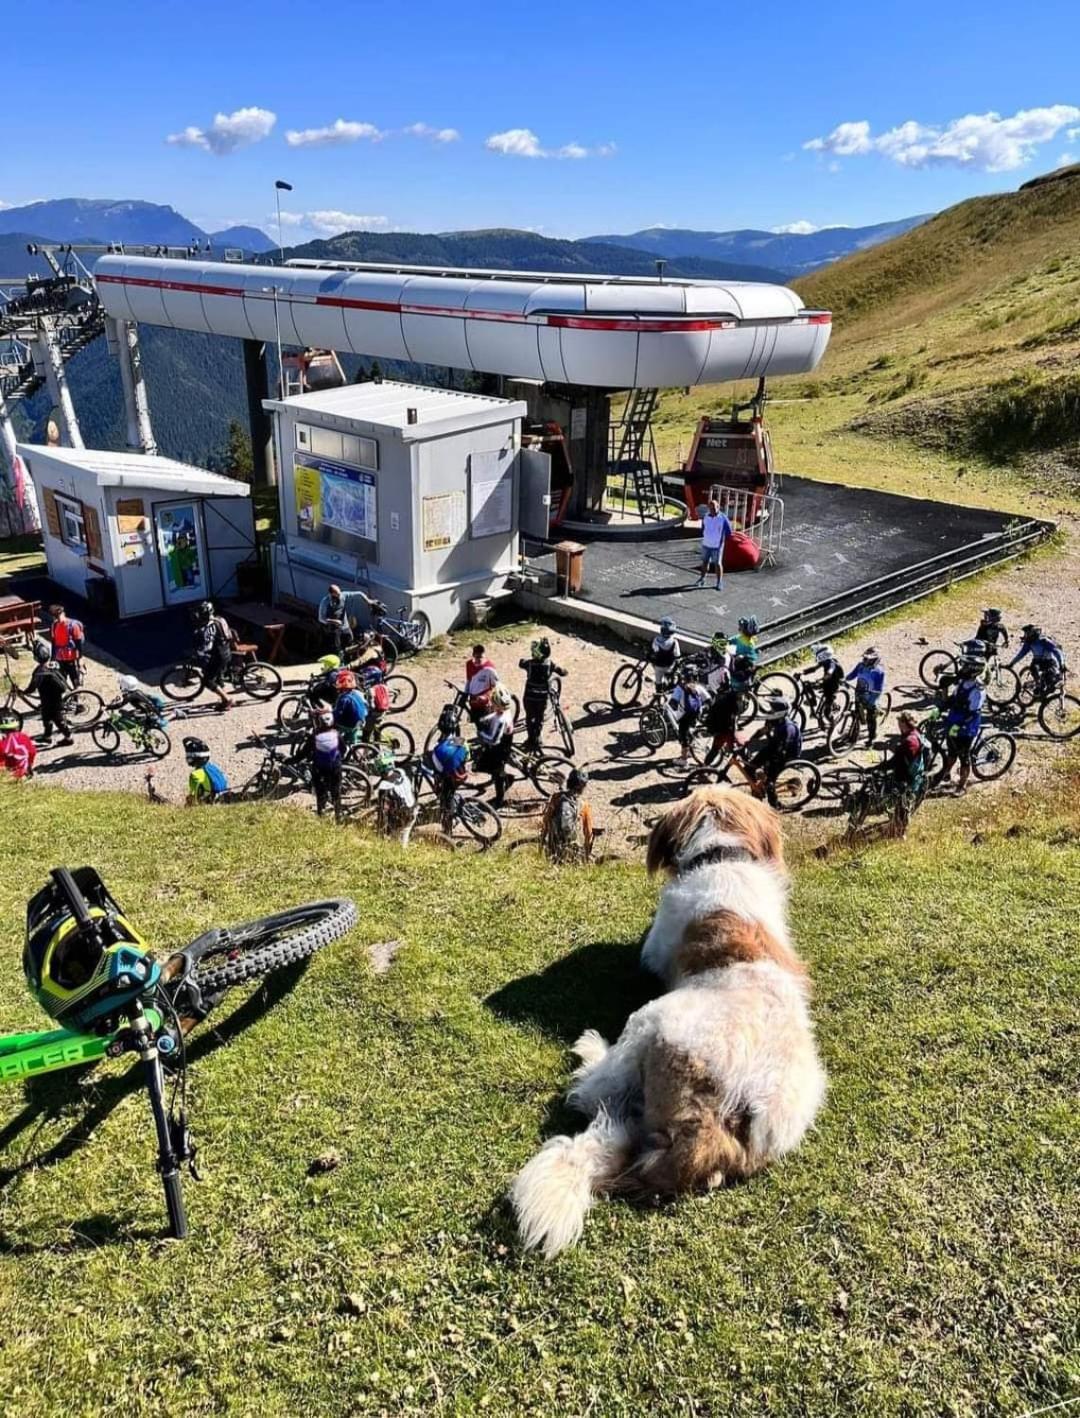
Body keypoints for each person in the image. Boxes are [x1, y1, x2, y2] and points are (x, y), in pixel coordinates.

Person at [741, 695, 801, 807]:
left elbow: (782, 749)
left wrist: (769, 763)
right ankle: (757, 790)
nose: (770, 711)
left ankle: (775, 804)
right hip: (775, 745)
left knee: (770, 782)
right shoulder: (775, 720)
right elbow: (763, 731)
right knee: (749, 768)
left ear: (779, 712)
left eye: (773, 709)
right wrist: (749, 742)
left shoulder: (788, 729)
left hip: (786, 752)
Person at [939, 656, 985, 793]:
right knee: (951, 749)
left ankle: (962, 785)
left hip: (967, 727)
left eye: (965, 667)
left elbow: (972, 712)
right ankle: (946, 773)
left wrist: (959, 725)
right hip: (953, 721)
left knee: (964, 755)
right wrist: (941, 704)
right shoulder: (962, 683)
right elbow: (953, 699)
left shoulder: (978, 689)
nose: (962, 669)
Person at [883, 711, 927, 836]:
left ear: (903, 723)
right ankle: (895, 827)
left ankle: (900, 833)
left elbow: (898, 762)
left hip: (907, 779)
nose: (897, 724)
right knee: (901, 806)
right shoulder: (916, 734)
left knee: (902, 807)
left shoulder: (909, 741)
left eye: (899, 722)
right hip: (913, 775)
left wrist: (881, 767)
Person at [294, 707, 344, 818]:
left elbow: (304, 753)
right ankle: (338, 816)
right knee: (336, 792)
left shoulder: (315, 736)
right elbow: (343, 749)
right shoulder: (337, 734)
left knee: (321, 793)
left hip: (320, 770)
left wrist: (291, 760)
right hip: (335, 767)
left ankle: (321, 814)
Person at [519, 637, 567, 752]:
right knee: (539, 718)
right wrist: (565, 672)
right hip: (542, 698)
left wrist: (522, 660)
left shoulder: (529, 664)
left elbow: (521, 663)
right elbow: (561, 671)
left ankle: (530, 738)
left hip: (529, 697)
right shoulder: (550, 664)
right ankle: (538, 737)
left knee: (529, 717)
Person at [540, 768, 595, 863]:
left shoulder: (556, 797)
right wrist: (587, 852)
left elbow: (546, 820)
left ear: (569, 782)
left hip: (552, 847)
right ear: (583, 786)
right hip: (571, 853)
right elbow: (588, 833)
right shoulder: (584, 806)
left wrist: (542, 840)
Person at [474, 685, 516, 808]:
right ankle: (505, 778)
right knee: (485, 765)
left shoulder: (502, 720)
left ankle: (500, 799)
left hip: (501, 747)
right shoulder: (503, 710)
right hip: (500, 743)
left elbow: (494, 740)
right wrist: (484, 719)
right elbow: (494, 715)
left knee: (497, 772)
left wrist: (481, 734)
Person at [29, 643, 73, 747]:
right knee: (46, 716)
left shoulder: (39, 671)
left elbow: (32, 686)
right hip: (56, 696)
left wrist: (24, 692)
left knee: (57, 719)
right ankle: (47, 737)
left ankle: (69, 738)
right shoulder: (54, 665)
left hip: (48, 698)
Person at [373, 745, 419, 847]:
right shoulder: (402, 773)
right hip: (414, 808)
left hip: (404, 818)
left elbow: (383, 811)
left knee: (398, 843)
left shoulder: (384, 787)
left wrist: (380, 829)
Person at [191, 601, 231, 712]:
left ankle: (226, 700)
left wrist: (199, 652)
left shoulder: (210, 626)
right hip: (227, 651)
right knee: (218, 676)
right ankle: (223, 694)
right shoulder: (220, 619)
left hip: (219, 655)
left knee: (207, 680)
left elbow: (208, 645)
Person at [1008, 624, 1066, 697]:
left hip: (1049, 662)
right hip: (1037, 662)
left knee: (1051, 680)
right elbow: (1021, 654)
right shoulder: (1029, 643)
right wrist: (1012, 663)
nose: (1026, 635)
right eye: (1025, 633)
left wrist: (1062, 664)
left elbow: (1057, 652)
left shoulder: (1044, 641)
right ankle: (1038, 686)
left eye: (1027, 633)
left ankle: (1044, 691)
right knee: (1034, 668)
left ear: (1033, 633)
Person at [318, 584, 379, 653]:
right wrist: (334, 621)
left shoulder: (343, 595)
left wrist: (368, 601)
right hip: (332, 629)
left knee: (349, 641)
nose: (339, 596)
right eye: (337, 594)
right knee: (337, 647)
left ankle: (348, 656)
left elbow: (359, 593)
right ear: (331, 594)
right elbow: (321, 618)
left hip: (344, 626)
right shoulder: (325, 602)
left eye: (339, 593)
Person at [846, 647, 886, 745]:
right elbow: (852, 675)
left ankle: (872, 737)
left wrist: (871, 701)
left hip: (871, 697)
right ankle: (854, 734)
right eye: (865, 658)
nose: (865, 660)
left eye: (868, 659)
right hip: (859, 693)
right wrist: (844, 679)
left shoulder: (879, 672)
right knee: (857, 713)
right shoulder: (860, 666)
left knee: (870, 718)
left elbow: (878, 690)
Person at [430, 732, 470, 831]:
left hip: (452, 778)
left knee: (447, 801)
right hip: (461, 773)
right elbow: (467, 756)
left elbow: (439, 769)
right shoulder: (460, 740)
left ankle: (448, 829)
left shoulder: (438, 750)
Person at [668, 670, 707, 766]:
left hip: (685, 715)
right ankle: (690, 750)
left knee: (683, 735)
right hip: (696, 713)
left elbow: (673, 703)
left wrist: (674, 706)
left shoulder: (680, 688)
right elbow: (709, 699)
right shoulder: (698, 687)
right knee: (690, 731)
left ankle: (684, 759)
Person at [799, 643, 845, 722]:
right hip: (826, 683)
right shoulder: (825, 662)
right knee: (807, 685)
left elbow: (829, 673)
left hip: (832, 686)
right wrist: (802, 673)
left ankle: (833, 723)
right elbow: (814, 669)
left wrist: (821, 680)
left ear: (823, 655)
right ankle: (813, 700)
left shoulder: (831, 664)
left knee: (826, 713)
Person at [695, 497, 734, 590]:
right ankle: (702, 578)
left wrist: (721, 540)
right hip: (706, 544)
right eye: (711, 508)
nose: (713, 510)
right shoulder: (706, 516)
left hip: (717, 546)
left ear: (718, 507)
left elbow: (729, 532)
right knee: (704, 562)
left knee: (718, 564)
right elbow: (703, 527)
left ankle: (719, 582)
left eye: (715, 508)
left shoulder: (723, 518)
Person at [48, 604, 85, 689]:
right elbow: (54, 642)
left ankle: (76, 697)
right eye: (56, 617)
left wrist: (80, 659)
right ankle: (65, 698)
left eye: (58, 616)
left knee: (74, 679)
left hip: (71, 658)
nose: (58, 619)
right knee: (61, 679)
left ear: (63, 613)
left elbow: (78, 643)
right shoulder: (54, 626)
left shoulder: (73, 626)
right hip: (60, 658)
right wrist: (52, 659)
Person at [184, 736, 229, 805]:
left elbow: (194, 796)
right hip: (221, 799)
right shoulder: (212, 767)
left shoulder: (195, 775)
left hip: (207, 803)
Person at [332, 669, 369, 747]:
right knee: (352, 736)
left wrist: (332, 716)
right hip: (361, 721)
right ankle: (353, 747)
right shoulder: (356, 693)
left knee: (334, 730)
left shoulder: (344, 699)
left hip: (349, 724)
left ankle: (341, 747)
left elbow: (338, 714)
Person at [465, 645, 500, 719]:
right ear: (473, 656)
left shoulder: (489, 669)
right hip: (473, 700)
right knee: (475, 720)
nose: (479, 659)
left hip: (484, 703)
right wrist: (465, 693)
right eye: (477, 657)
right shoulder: (469, 664)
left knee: (484, 726)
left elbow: (496, 686)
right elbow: (468, 680)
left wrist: (487, 697)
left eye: (481, 657)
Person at [0, 711, 36, 779]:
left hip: (9, 774)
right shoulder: (24, 737)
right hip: (24, 771)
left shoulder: (3, 742)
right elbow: (32, 752)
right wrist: (30, 765)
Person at [650, 618, 681, 693]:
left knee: (658, 681)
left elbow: (655, 649)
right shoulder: (674, 642)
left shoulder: (656, 640)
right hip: (669, 666)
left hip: (658, 665)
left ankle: (658, 692)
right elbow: (677, 655)